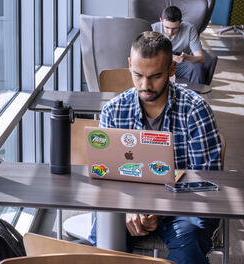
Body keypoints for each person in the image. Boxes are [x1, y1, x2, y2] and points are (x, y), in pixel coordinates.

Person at [91, 31, 222, 264]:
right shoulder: (113, 111)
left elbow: (206, 180)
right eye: (138, 75)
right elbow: (105, 177)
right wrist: (130, 208)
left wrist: (159, 208)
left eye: (155, 76)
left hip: (185, 207)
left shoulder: (195, 110)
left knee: (189, 243)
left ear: (172, 69)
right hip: (128, 205)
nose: (145, 85)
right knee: (102, 239)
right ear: (129, 64)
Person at [151, 6, 207, 84]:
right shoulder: (153, 29)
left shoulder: (189, 29)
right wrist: (169, 57)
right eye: (166, 27)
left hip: (180, 64)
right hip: (159, 63)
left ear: (180, 22)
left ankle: (195, 95)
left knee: (196, 69)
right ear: (161, 20)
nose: (170, 32)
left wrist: (186, 57)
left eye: (175, 28)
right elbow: (148, 55)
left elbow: (201, 58)